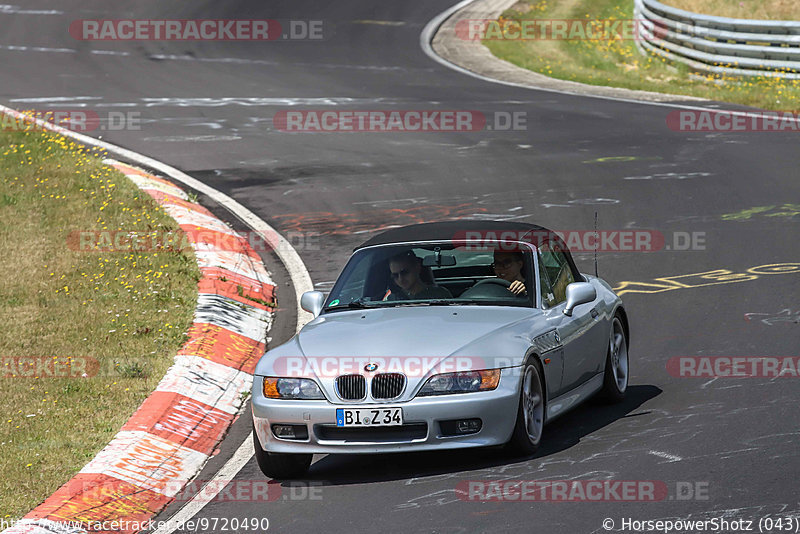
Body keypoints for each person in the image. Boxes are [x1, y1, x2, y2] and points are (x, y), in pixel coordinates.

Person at [385, 251, 452, 301]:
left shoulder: (440, 295)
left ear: (417, 268)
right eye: (395, 275)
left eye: (405, 273)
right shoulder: (392, 300)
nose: (400, 279)